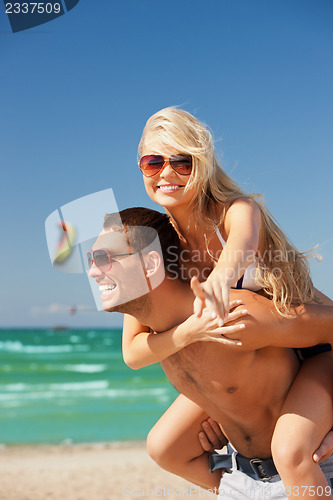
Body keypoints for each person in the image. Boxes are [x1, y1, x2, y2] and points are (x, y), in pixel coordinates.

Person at [122, 107, 333, 497]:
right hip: (259, 361)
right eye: (153, 162)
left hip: (315, 346)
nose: (166, 174)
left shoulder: (236, 210)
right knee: (165, 446)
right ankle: (243, 487)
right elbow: (134, 351)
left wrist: (218, 282)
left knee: (291, 452)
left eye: (181, 162)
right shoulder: (156, 238)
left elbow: (240, 248)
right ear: (141, 167)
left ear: (201, 164)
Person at [88, 207, 333, 499]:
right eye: (91, 260)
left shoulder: (232, 314)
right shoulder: (156, 332)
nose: (92, 271)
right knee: (162, 446)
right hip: (240, 478)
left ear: (150, 265)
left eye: (104, 259)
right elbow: (131, 356)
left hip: (310, 468)